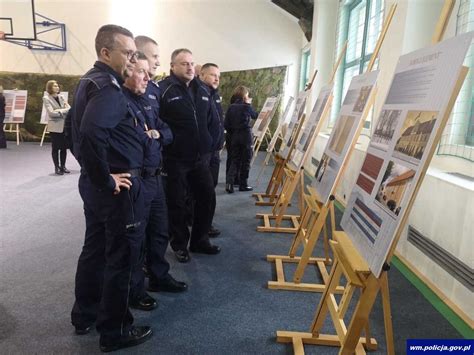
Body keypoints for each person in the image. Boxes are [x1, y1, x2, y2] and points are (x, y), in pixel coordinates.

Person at [69, 24, 152, 352]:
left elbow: (78, 135)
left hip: (97, 186)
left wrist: (94, 176)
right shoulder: (108, 88)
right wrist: (104, 177)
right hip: (118, 189)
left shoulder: (89, 80)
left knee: (94, 251)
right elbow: (89, 135)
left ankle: (84, 314)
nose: (134, 59)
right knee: (121, 258)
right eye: (128, 53)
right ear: (106, 52)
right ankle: (115, 330)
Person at [132, 35, 188, 293]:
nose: (157, 62)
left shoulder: (153, 90)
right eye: (153, 56)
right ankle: (135, 287)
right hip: (136, 175)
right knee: (135, 235)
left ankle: (158, 275)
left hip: (155, 171)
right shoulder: (123, 90)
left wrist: (157, 136)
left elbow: (164, 129)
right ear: (138, 56)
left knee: (159, 229)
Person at [159, 48, 220, 263]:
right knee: (176, 204)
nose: (190, 67)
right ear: (173, 66)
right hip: (174, 159)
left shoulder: (202, 90)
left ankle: (200, 240)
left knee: (207, 197)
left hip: (199, 158)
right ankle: (180, 245)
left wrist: (210, 144)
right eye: (184, 63)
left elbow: (213, 120)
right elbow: (157, 122)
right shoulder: (163, 90)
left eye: (192, 63)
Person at [199, 63, 224, 237]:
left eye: (218, 76)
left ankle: (203, 222)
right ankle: (203, 226)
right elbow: (201, 126)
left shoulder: (214, 95)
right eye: (213, 75)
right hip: (204, 154)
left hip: (214, 152)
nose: (216, 78)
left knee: (210, 188)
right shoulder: (200, 94)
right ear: (202, 75)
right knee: (205, 192)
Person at [224, 85, 258, 193]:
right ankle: (243, 184)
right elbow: (255, 115)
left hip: (234, 136)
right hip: (246, 136)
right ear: (244, 95)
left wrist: (233, 131)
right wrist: (249, 104)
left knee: (235, 160)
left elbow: (226, 124)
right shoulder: (246, 106)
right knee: (246, 160)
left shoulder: (231, 107)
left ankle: (229, 183)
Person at [43, 80, 71, 175]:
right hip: (54, 127)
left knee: (63, 148)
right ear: (50, 87)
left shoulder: (62, 97)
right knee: (55, 148)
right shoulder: (46, 98)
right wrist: (63, 111)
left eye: (57, 86)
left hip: (64, 126)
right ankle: (57, 167)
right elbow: (51, 113)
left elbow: (70, 109)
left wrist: (59, 111)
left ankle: (63, 166)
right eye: (55, 86)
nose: (57, 87)